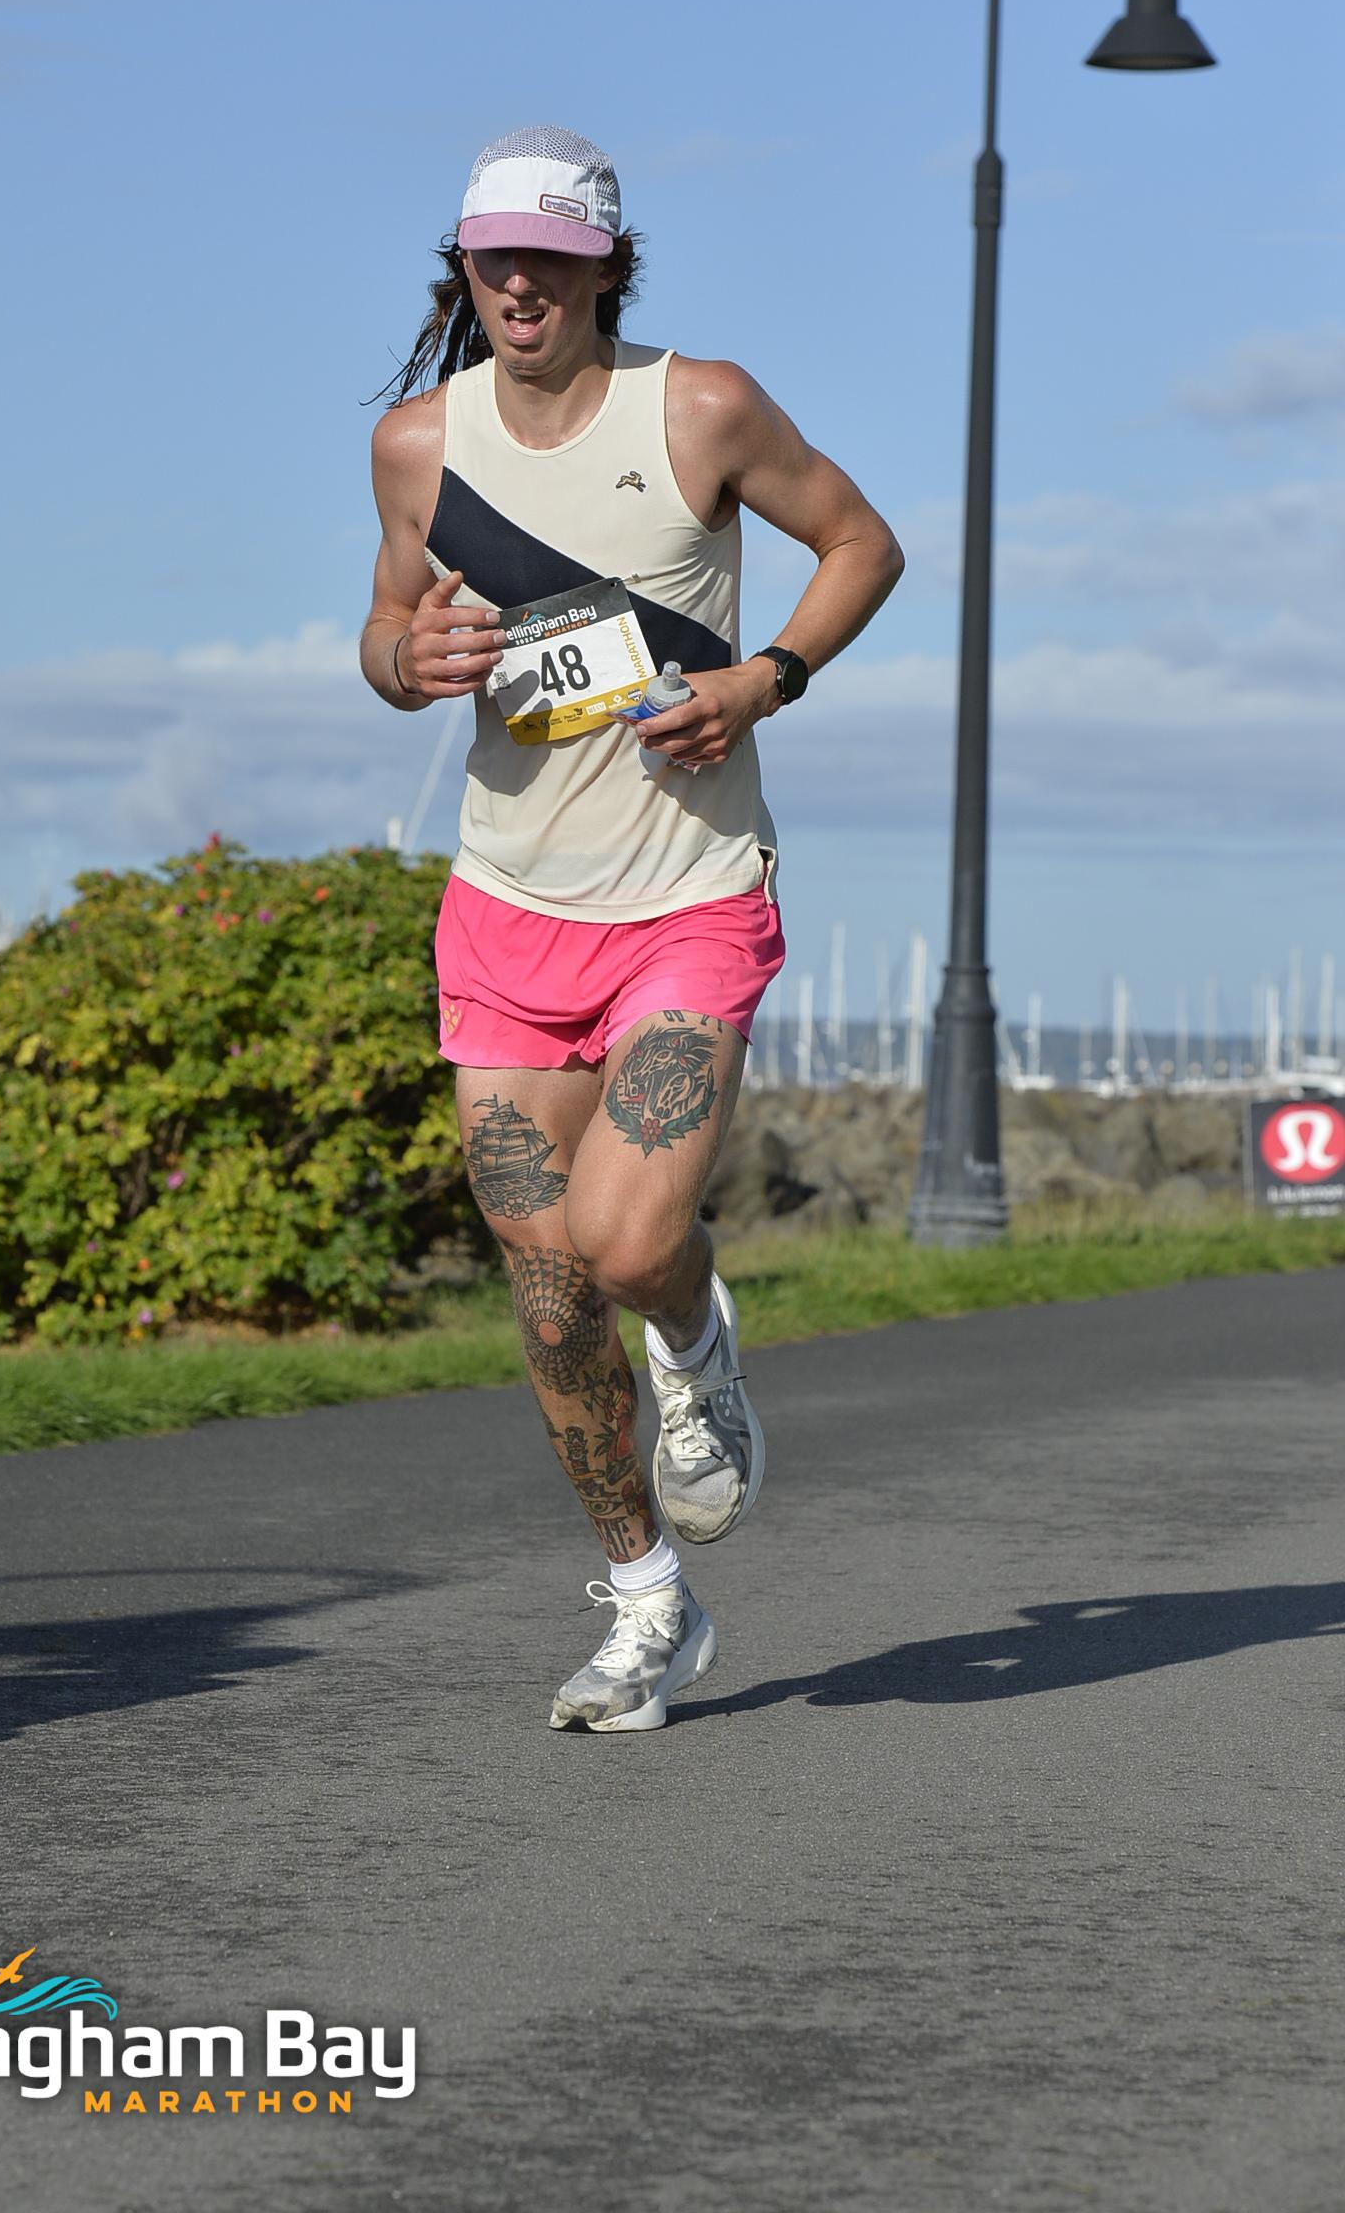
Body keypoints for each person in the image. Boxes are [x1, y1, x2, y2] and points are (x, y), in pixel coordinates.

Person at [361, 127, 904, 1732]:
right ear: (464, 266)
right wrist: (411, 659)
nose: (519, 284)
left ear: (607, 268)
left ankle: (695, 1341)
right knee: (546, 1291)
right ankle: (651, 1603)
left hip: (686, 895)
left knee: (628, 1240)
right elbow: (386, 629)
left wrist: (762, 680)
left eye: (552, 257)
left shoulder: (702, 408)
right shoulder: (418, 442)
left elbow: (863, 542)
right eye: (494, 257)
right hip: (505, 908)